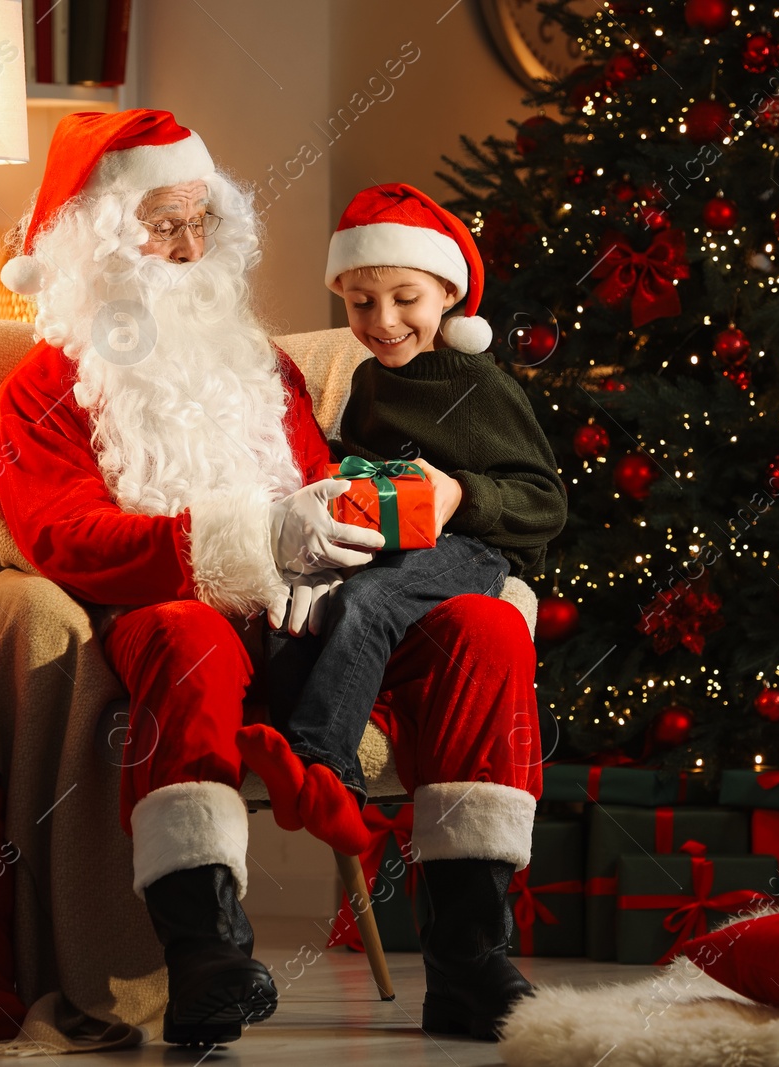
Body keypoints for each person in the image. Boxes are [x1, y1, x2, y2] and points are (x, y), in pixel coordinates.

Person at [0, 109, 542, 1046]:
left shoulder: (266, 369)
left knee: (484, 628)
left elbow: (326, 487)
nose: (190, 245)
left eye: (202, 221)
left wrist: (342, 530)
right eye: (163, 224)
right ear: (98, 241)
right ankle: (206, 953)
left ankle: (470, 959)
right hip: (183, 610)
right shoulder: (42, 390)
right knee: (186, 635)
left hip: (315, 613)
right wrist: (249, 541)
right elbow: (64, 538)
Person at [237, 183, 567, 862]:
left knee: (368, 600)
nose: (382, 320)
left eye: (404, 299)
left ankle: (322, 762)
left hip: (467, 548)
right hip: (388, 540)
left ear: (447, 293)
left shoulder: (482, 386)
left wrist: (463, 495)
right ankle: (309, 767)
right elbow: (356, 464)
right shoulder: (370, 380)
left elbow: (544, 500)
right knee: (300, 609)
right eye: (360, 303)